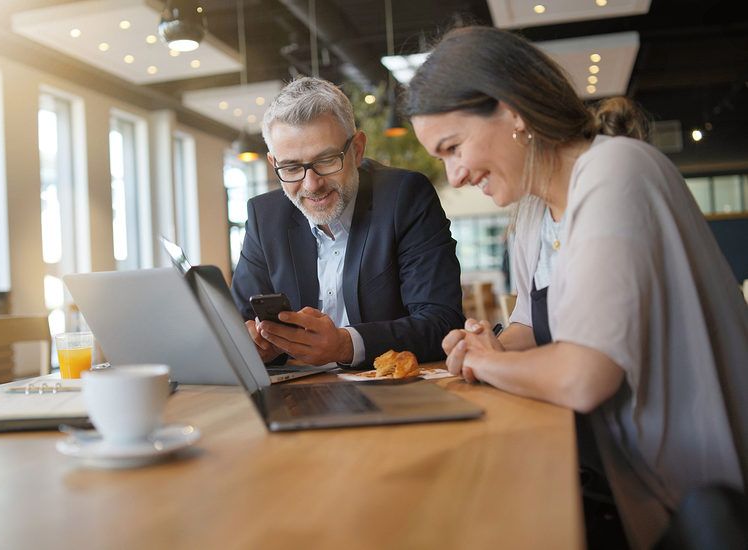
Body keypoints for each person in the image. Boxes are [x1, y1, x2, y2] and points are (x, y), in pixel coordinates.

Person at [405, 26, 748, 550]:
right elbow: (528, 325)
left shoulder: (615, 172)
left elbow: (586, 377)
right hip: (630, 477)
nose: (453, 175)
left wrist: (483, 362)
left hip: (701, 493)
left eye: (453, 147)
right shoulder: (533, 213)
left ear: (513, 110)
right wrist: (489, 343)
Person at [230, 76, 465, 368]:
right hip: (298, 398)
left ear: (357, 150)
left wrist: (345, 345)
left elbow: (441, 321)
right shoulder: (264, 216)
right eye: (291, 167)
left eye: (327, 160)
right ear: (274, 164)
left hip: (391, 393)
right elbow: (235, 324)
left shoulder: (404, 197)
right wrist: (253, 344)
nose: (311, 184)